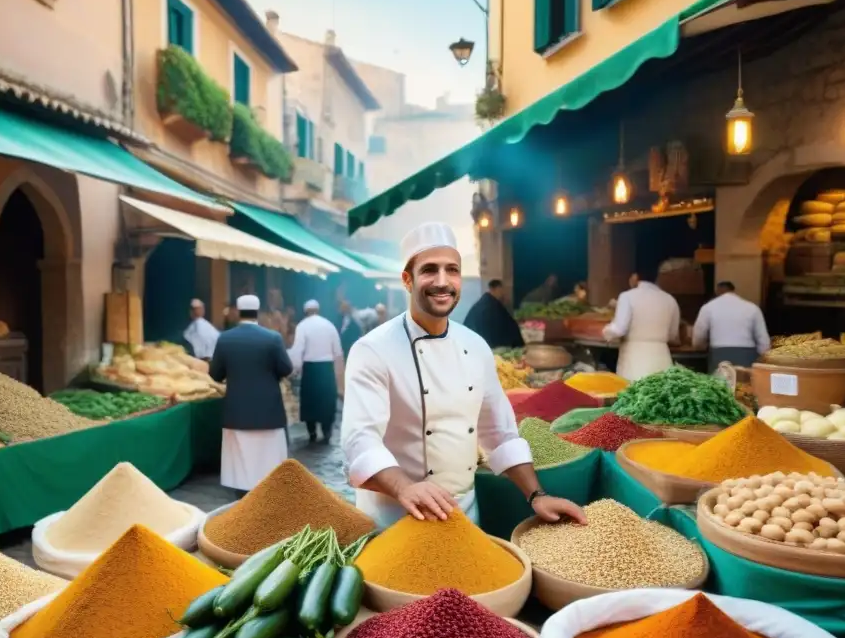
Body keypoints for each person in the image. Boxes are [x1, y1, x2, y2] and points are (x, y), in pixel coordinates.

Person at [341, 222, 587, 529]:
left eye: (452, 270)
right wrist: (405, 487)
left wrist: (537, 495)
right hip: (396, 520)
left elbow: (499, 433)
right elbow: (360, 442)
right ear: (407, 279)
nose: (442, 282)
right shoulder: (372, 350)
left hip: (463, 516)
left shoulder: (475, 345)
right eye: (430, 269)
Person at [210, 295, 293, 492]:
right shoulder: (273, 338)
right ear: (258, 312)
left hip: (238, 412)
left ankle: (243, 496)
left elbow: (215, 374)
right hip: (269, 412)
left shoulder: (225, 339)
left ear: (238, 312)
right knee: (268, 459)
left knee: (241, 464)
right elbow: (286, 368)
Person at [603, 269, 681, 381]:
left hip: (635, 358)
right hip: (662, 359)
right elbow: (673, 335)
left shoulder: (627, 296)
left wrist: (605, 331)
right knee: (659, 394)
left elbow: (619, 329)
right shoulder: (670, 300)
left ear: (635, 277)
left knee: (633, 393)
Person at [289, 300, 344, 444]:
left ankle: (312, 432)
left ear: (306, 311)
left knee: (310, 402)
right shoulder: (329, 325)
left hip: (310, 369)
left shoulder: (302, 326)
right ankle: (327, 432)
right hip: (326, 368)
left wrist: (295, 369)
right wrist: (340, 375)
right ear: (318, 310)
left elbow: (297, 350)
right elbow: (338, 351)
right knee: (327, 401)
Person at [692, 281, 770, 371]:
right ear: (733, 291)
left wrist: (700, 347)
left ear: (717, 291)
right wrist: (762, 360)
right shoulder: (752, 308)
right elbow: (763, 340)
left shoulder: (708, 307)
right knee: (745, 383)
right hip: (746, 355)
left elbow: (699, 336)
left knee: (719, 383)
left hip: (719, 354)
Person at [463, 279, 525, 349]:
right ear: (496, 289)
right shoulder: (491, 307)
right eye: (502, 290)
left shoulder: (484, 303)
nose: (503, 293)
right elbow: (507, 327)